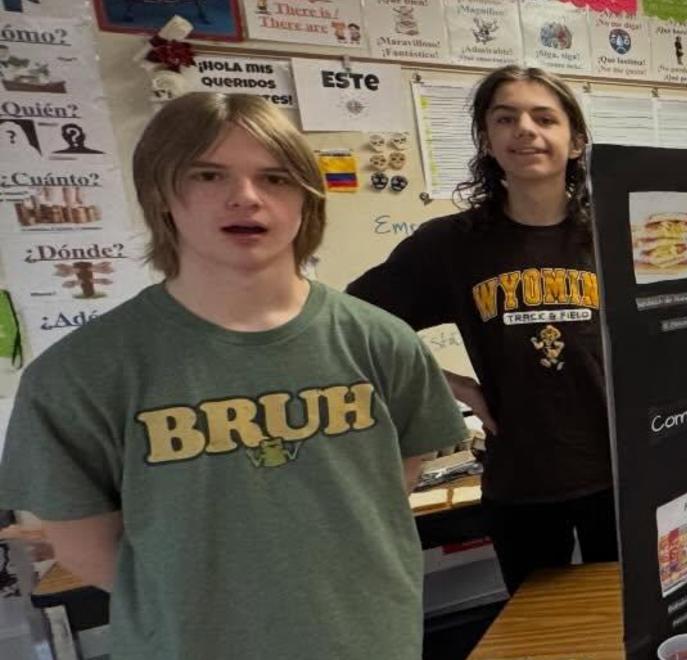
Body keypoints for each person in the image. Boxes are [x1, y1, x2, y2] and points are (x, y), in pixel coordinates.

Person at [0, 92, 467, 659]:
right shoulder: (79, 373)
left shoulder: (381, 341)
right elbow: (89, 550)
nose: (245, 198)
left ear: (304, 200)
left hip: (367, 641)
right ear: (161, 193)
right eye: (208, 174)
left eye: (274, 178)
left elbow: (382, 494)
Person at [348, 65, 616, 593]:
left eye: (545, 117)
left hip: (621, 474)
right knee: (537, 635)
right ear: (487, 140)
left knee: (627, 623)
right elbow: (355, 321)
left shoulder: (618, 235)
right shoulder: (452, 244)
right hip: (521, 478)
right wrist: (446, 384)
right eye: (505, 118)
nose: (525, 129)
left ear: (577, 140)